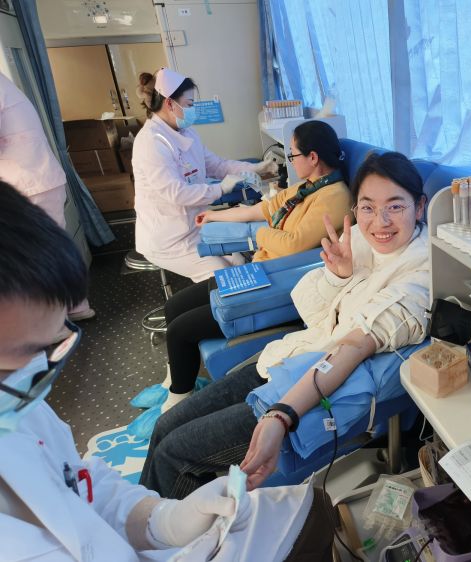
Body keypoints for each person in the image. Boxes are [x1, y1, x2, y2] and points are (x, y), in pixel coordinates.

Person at [0, 180, 334, 561]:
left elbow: (82, 485)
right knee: (170, 427)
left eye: (51, 345)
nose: (39, 371)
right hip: (281, 358)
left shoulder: (22, 412)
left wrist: (163, 521)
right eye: (21, 356)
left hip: (299, 365)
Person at [140, 152, 430, 498]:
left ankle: (168, 530)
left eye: (395, 206)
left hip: (304, 393)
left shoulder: (421, 275)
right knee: (165, 426)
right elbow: (311, 312)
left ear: (420, 207)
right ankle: (169, 516)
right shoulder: (359, 241)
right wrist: (337, 277)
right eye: (368, 207)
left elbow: (353, 347)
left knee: (173, 456)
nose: (380, 221)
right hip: (286, 360)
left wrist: (281, 414)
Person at [132, 120, 352, 417]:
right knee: (174, 307)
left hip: (272, 286)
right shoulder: (307, 188)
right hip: (257, 272)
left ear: (313, 157)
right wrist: (214, 216)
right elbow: (263, 209)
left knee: (180, 331)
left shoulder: (335, 197)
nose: (290, 161)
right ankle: (176, 382)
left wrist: (258, 234)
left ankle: (175, 404)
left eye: (293, 154)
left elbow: (293, 244)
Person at [132, 67, 276, 282]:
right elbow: (177, 193)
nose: (193, 110)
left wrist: (255, 168)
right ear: (170, 103)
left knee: (239, 262)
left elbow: (217, 165)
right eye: (189, 104)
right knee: (226, 276)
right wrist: (220, 189)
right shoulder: (151, 143)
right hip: (169, 239)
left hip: (195, 226)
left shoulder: (187, 132)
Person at [0, 71, 95, 321]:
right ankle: (74, 308)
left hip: (29, 184)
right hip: (36, 180)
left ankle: (56, 322)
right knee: (53, 251)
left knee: (38, 258)